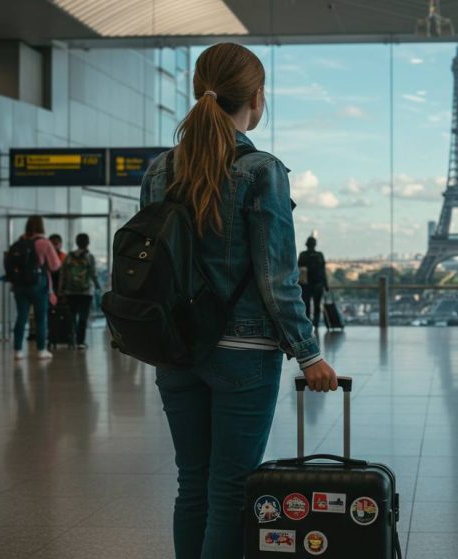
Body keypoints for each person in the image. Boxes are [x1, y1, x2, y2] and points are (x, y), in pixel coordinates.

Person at [139, 42, 338, 559]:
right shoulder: (262, 170)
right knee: (231, 489)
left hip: (174, 348)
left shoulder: (159, 170)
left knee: (193, 483)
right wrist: (309, 353)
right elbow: (276, 278)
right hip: (244, 353)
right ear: (256, 96)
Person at [10, 216, 61, 360]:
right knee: (40, 319)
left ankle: (18, 351)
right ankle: (41, 350)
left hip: (19, 286)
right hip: (39, 285)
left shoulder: (20, 242)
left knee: (21, 317)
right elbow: (55, 265)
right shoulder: (44, 243)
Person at [58, 233, 101, 349]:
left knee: (71, 316)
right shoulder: (89, 257)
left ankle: (71, 339)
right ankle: (80, 342)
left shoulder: (69, 257)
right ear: (88, 243)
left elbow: (63, 274)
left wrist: (60, 290)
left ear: (76, 243)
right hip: (86, 292)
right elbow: (94, 274)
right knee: (83, 317)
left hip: (70, 291)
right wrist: (98, 287)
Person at [298, 236, 329, 330]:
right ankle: (316, 324)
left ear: (306, 244)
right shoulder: (319, 255)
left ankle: (307, 325)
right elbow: (323, 271)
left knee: (306, 305)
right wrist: (326, 284)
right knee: (317, 306)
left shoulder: (303, 255)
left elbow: (299, 270)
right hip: (318, 284)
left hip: (305, 284)